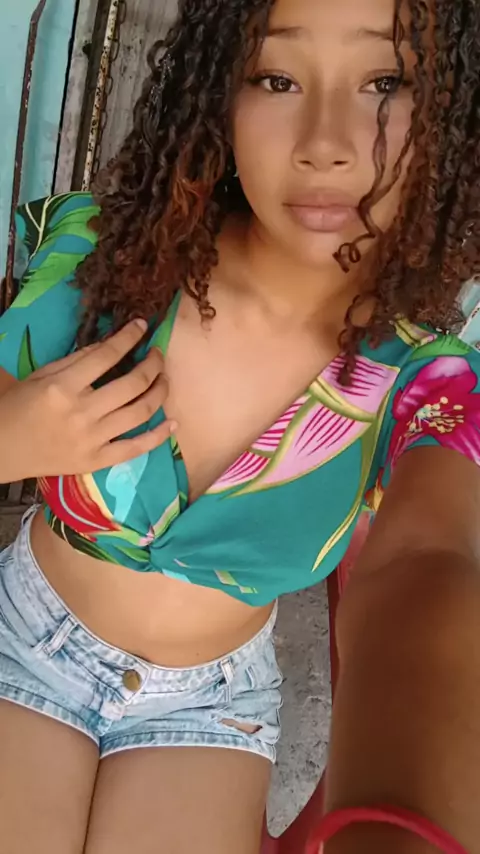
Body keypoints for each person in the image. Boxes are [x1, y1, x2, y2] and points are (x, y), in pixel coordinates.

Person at [0, 0, 479, 851]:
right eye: (278, 78)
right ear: (219, 90)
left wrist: (408, 820)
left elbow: (429, 561)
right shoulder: (110, 257)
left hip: (211, 707)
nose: (326, 142)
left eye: (385, 81)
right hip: (25, 641)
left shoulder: (425, 382)